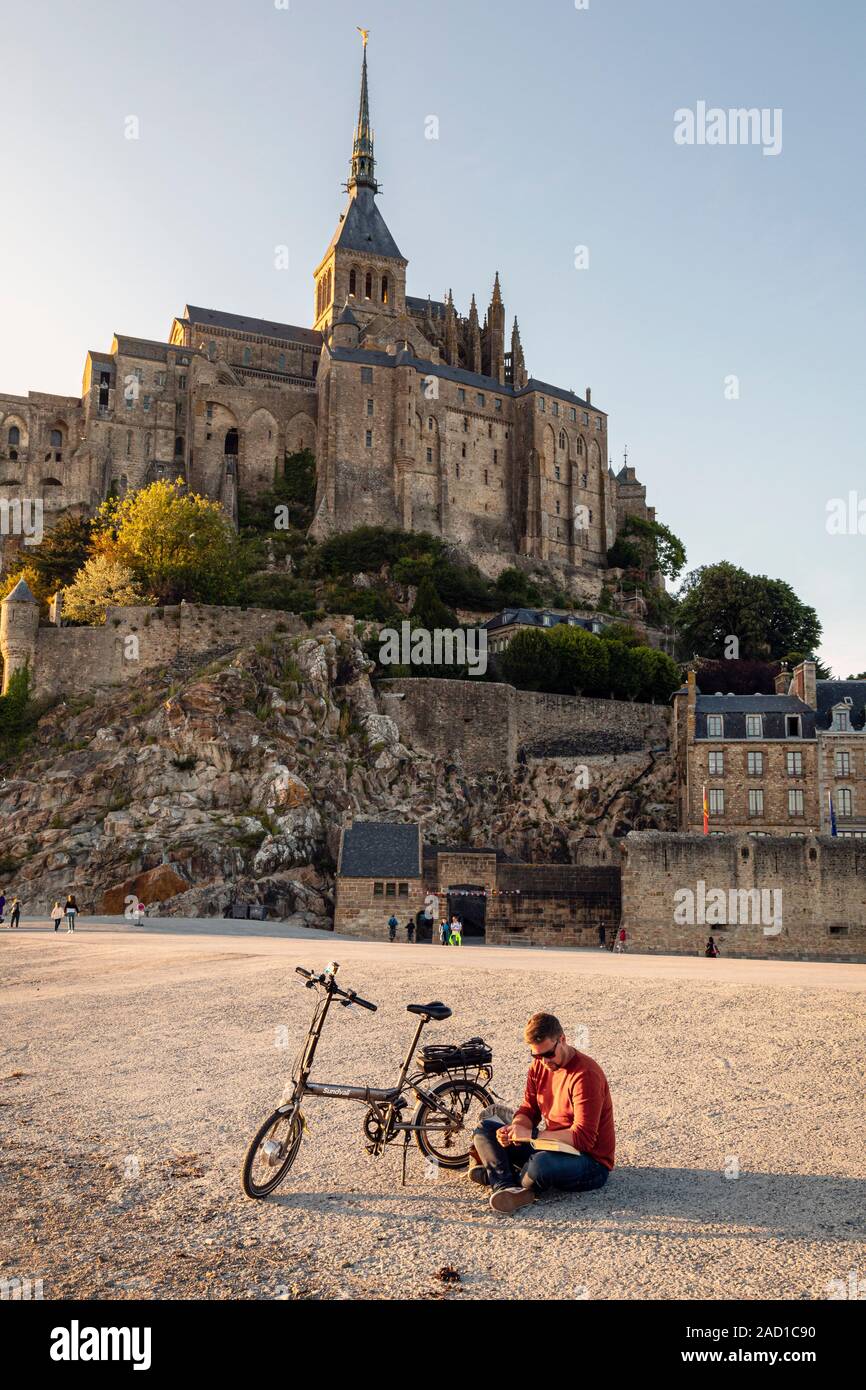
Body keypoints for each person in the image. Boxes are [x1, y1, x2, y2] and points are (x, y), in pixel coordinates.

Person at [471, 1011, 615, 1215]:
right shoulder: (539, 1066)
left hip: (590, 1162)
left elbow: (584, 1139)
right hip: (551, 1145)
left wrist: (532, 1135)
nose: (544, 1061)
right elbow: (529, 1108)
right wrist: (515, 1128)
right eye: (536, 1055)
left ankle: (497, 1174)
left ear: (562, 1040)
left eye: (548, 1054)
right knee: (484, 1129)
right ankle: (506, 1187)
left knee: (541, 1164)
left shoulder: (585, 1076)